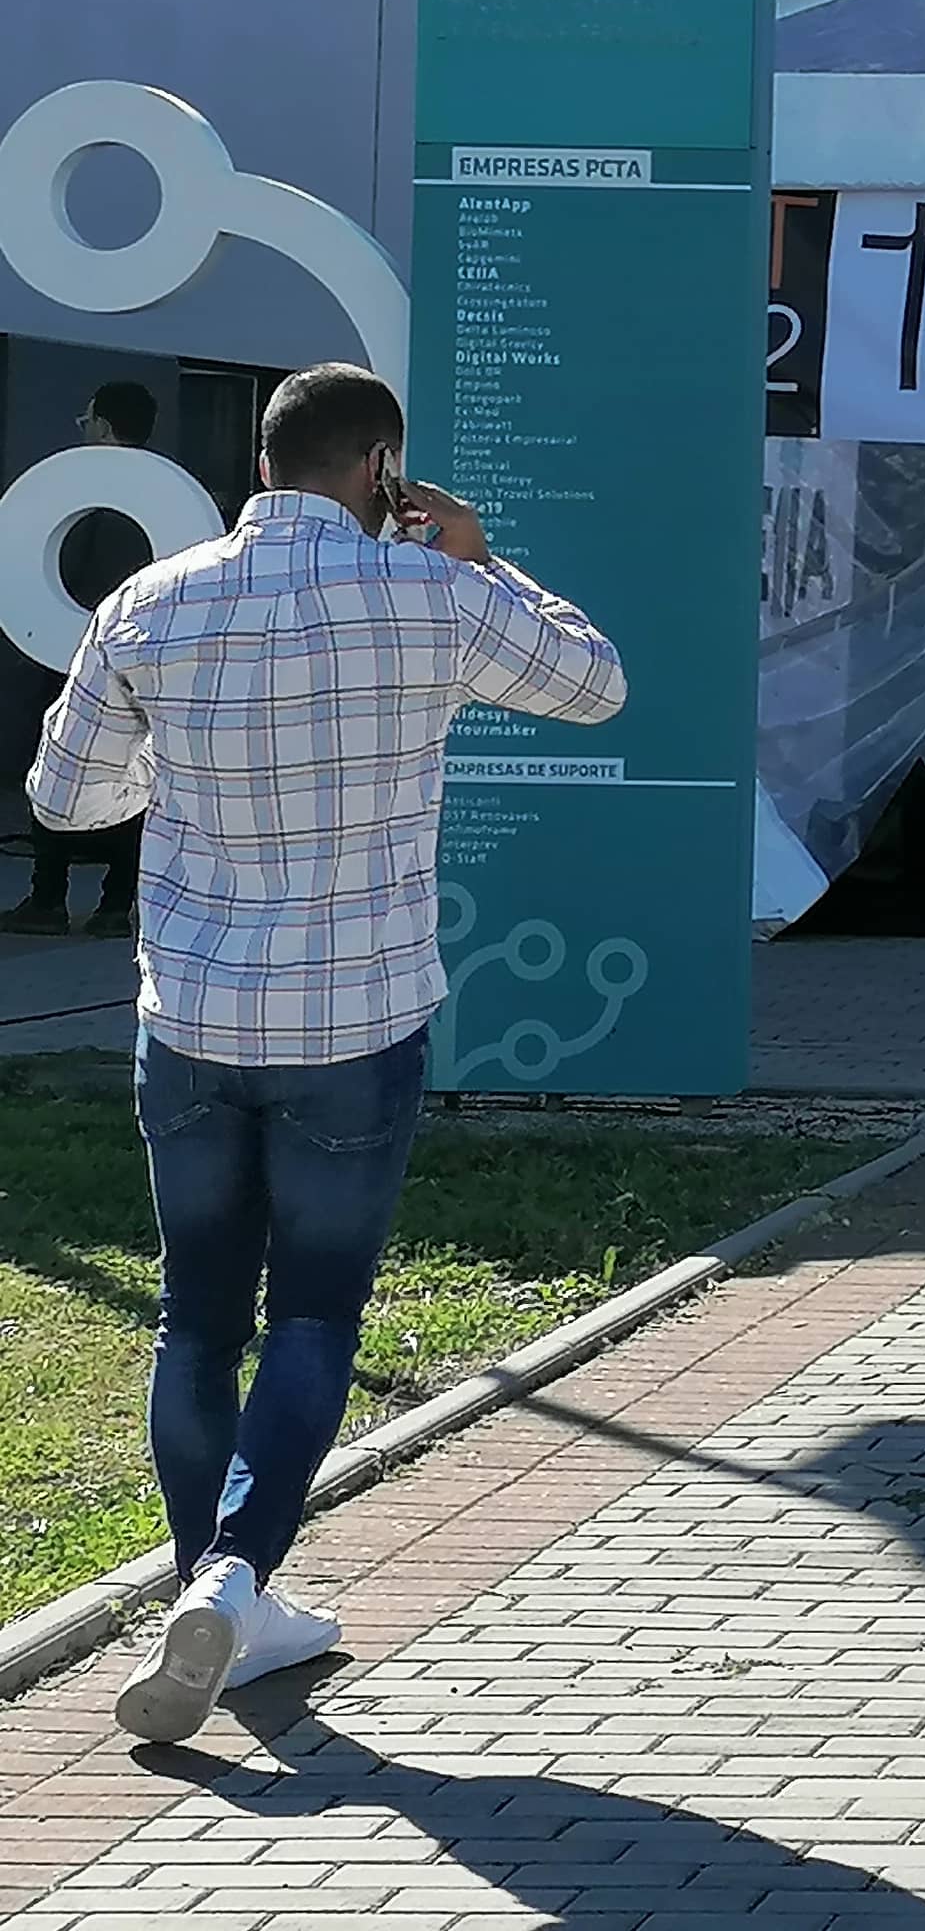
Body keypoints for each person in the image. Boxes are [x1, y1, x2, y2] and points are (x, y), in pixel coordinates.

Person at [25, 364, 623, 1748]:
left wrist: (161, 777)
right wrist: (486, 557)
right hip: (355, 1024)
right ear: (382, 473)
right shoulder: (434, 595)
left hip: (190, 1022)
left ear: (265, 460)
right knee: (313, 1319)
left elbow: (64, 800)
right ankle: (235, 1582)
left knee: (194, 1316)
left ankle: (212, 1593)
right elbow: (596, 684)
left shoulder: (151, 603)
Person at [11, 380, 165, 933]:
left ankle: (47, 899)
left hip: (70, 653)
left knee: (56, 763)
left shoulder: (84, 500)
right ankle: (112, 905)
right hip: (141, 656)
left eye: (87, 420)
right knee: (137, 772)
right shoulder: (164, 495)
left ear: (101, 426)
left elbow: (63, 571)